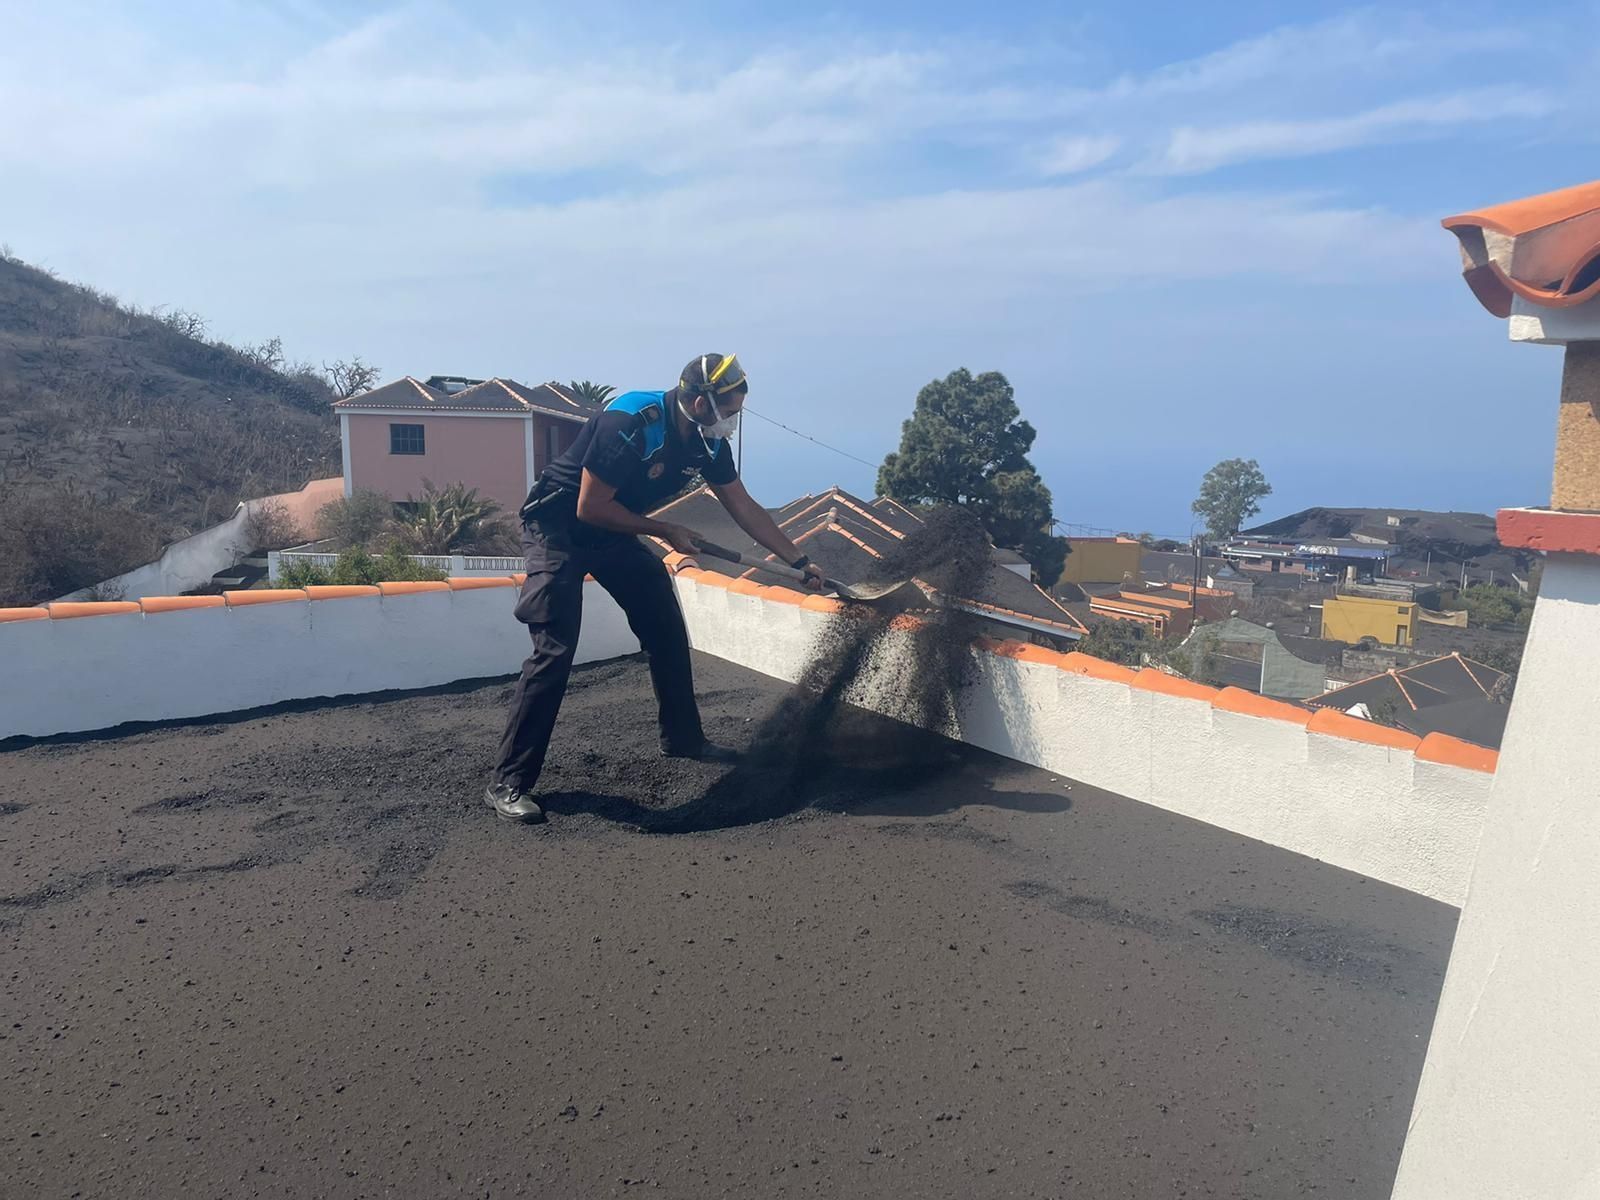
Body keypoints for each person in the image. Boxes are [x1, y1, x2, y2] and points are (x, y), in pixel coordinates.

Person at [485, 353, 827, 823]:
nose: (732, 420)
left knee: (665, 627)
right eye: (728, 409)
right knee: (556, 647)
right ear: (698, 401)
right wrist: (664, 529)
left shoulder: (707, 443)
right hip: (557, 528)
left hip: (614, 532)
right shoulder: (629, 421)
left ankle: (684, 739)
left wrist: (799, 560)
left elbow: (742, 505)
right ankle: (509, 781)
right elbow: (589, 507)